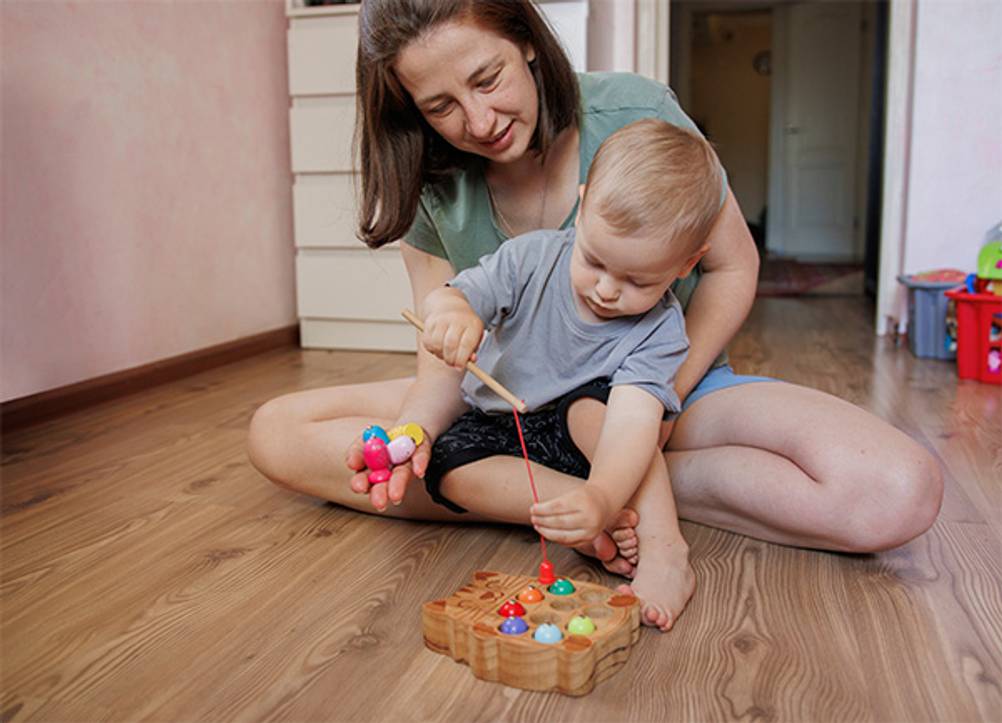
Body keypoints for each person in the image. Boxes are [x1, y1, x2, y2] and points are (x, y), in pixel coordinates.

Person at [247, 0, 942, 597]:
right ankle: (592, 498)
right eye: (441, 107)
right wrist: (415, 434)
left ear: (524, 38)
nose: (480, 119)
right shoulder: (432, 183)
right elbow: (445, 355)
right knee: (275, 431)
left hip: (664, 386)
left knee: (896, 487)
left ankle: (601, 490)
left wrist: (651, 409)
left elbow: (733, 266)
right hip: (510, 392)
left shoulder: (634, 112)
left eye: (487, 79)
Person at [415, 118, 723, 629]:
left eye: (637, 280)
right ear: (581, 209)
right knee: (446, 467)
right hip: (499, 424)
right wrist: (453, 311)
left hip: (591, 445)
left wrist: (603, 492)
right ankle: (587, 525)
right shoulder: (530, 257)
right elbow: (454, 294)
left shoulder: (661, 329)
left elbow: (632, 427)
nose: (606, 290)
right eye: (595, 261)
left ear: (687, 263)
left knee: (593, 411)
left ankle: (664, 547)